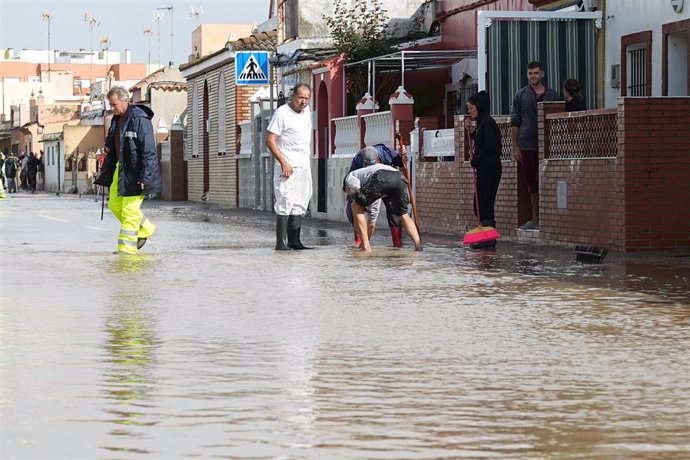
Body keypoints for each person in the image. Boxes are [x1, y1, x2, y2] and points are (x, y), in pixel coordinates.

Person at [95, 86, 161, 254]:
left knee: (130, 211)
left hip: (136, 171)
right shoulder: (116, 120)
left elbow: (149, 150)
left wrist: (145, 177)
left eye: (114, 104)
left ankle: (126, 250)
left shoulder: (140, 119)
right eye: (110, 105)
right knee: (115, 205)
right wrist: (108, 148)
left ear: (126, 101)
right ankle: (145, 227)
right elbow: (112, 140)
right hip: (120, 168)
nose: (112, 108)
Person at [510, 61, 560, 231]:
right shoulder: (520, 95)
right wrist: (515, 146)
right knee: (531, 182)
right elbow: (515, 122)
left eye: (536, 73)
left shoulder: (553, 95)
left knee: (549, 180)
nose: (533, 76)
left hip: (550, 145)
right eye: (530, 73)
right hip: (527, 145)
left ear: (542, 74)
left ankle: (550, 218)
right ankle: (535, 218)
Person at [266, 83, 313, 250]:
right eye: (301, 97)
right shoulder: (282, 113)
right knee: (285, 200)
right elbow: (270, 141)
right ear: (293, 96)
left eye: (307, 98)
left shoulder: (307, 112)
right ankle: (281, 243)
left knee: (301, 200)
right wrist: (283, 162)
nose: (303, 102)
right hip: (286, 165)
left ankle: (295, 241)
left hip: (303, 165)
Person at [343, 163, 422, 253]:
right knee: (403, 214)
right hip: (400, 177)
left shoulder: (349, 178)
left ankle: (365, 248)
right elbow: (372, 223)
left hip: (382, 176)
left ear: (346, 188)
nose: (350, 196)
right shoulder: (370, 184)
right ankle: (418, 247)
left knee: (355, 205)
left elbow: (356, 191)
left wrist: (357, 200)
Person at [346, 145, 404, 248]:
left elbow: (401, 162)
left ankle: (397, 243)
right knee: (355, 206)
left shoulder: (388, 153)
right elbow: (352, 186)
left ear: (378, 160)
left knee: (395, 211)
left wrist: (402, 155)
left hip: (389, 181)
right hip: (368, 183)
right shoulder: (357, 160)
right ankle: (359, 241)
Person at [465, 90, 503, 249]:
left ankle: (488, 237)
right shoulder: (482, 123)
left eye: (471, 108)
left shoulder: (487, 122)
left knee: (482, 203)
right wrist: (472, 132)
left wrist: (476, 160)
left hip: (489, 167)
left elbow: (490, 147)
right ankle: (487, 236)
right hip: (486, 167)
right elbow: (481, 142)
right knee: (481, 203)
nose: (469, 111)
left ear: (479, 107)